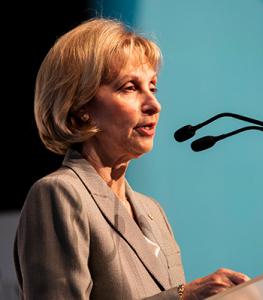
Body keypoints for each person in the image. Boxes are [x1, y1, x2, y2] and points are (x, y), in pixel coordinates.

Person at [13, 17, 249, 299]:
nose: (154, 104)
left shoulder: (153, 211)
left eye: (152, 87)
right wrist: (184, 296)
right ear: (79, 107)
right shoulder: (59, 194)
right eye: (129, 87)